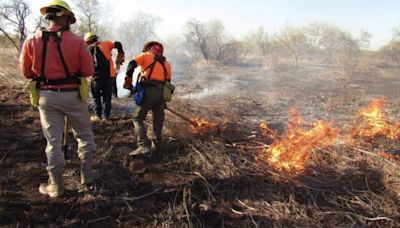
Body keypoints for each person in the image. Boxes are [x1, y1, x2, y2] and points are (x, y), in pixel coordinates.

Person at [19, 0, 97, 197]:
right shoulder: (78, 42)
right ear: (67, 19)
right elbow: (88, 71)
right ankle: (87, 177)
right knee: (84, 136)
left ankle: (56, 186)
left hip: (46, 97)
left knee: (53, 143)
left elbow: (26, 72)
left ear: (49, 17)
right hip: (73, 96)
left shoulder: (31, 41)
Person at [124, 41, 172, 156]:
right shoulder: (167, 64)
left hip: (148, 92)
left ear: (149, 49)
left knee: (137, 118)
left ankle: (143, 145)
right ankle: (157, 150)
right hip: (162, 94)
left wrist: (128, 78)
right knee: (158, 122)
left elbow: (131, 64)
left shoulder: (145, 56)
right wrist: (164, 101)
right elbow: (168, 84)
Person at [84, 32, 125, 121]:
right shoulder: (106, 44)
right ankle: (106, 116)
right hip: (109, 77)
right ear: (96, 38)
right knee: (107, 98)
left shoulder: (86, 50)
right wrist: (120, 55)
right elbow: (118, 44)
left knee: (96, 97)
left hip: (95, 78)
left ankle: (97, 116)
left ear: (87, 42)